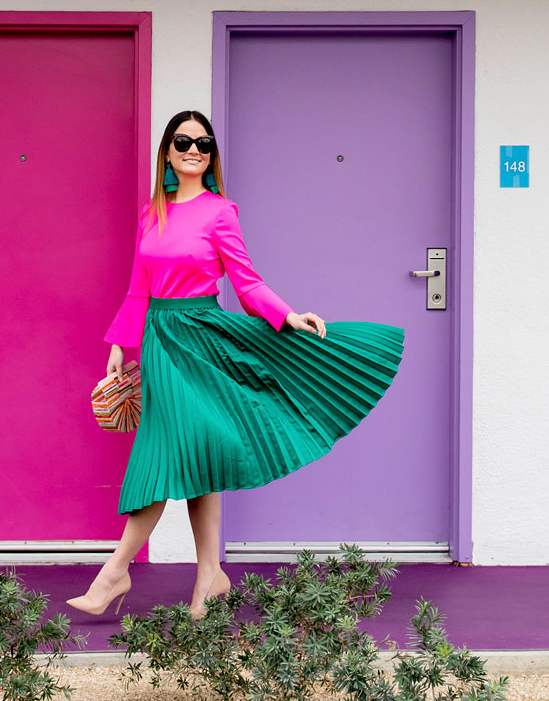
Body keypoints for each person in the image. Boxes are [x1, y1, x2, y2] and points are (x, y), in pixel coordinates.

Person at [67, 109, 404, 622]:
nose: (194, 149)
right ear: (167, 150)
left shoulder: (220, 211)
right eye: (183, 141)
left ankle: (117, 571)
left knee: (175, 456)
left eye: (204, 143)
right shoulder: (151, 213)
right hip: (161, 344)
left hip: (203, 339)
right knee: (190, 453)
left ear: (211, 154)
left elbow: (245, 282)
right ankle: (209, 574)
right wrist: (119, 343)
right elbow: (139, 288)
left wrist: (287, 315)